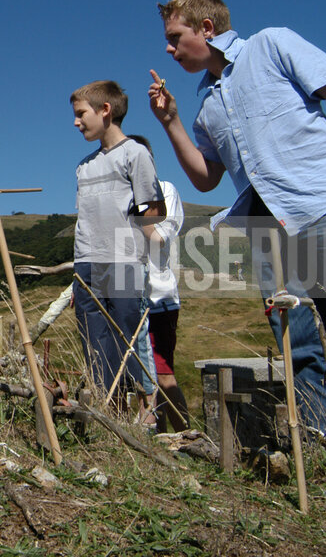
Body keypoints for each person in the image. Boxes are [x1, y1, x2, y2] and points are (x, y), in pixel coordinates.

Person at [148, 0, 326, 436]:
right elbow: (206, 178)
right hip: (268, 230)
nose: (169, 49)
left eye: (175, 37)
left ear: (206, 28)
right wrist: (171, 121)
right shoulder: (206, 107)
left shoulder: (271, 45)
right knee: (300, 348)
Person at [71, 80, 165, 407]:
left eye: (81, 114)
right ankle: (108, 410)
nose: (76, 121)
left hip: (124, 260)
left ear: (105, 110)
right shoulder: (84, 166)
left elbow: (149, 204)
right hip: (87, 262)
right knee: (94, 340)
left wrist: (145, 228)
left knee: (126, 337)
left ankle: (143, 410)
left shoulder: (134, 154)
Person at [129, 134, 191, 432]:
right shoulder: (118, 196)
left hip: (158, 297)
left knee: (163, 374)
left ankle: (185, 437)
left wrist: (134, 211)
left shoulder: (165, 191)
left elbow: (160, 237)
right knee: (136, 377)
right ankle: (156, 439)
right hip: (126, 295)